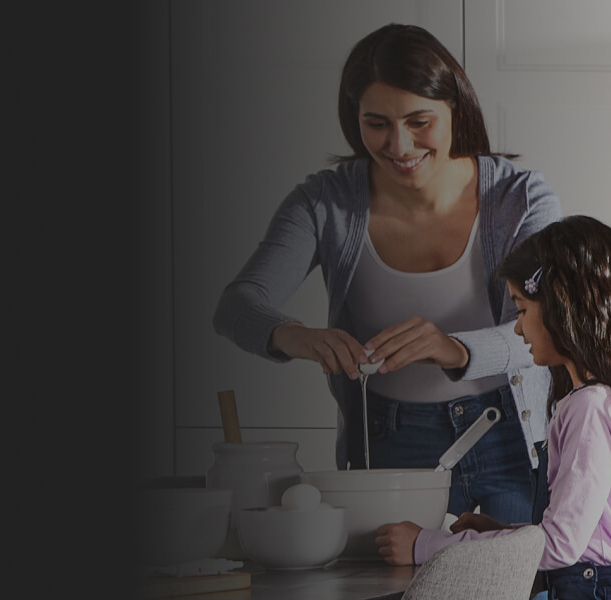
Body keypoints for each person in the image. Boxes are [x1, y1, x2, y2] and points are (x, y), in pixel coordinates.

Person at [212, 23, 560, 526]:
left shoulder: (520, 198)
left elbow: (544, 325)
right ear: (354, 121)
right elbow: (236, 304)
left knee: (517, 582)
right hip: (390, 437)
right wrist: (294, 336)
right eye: (376, 123)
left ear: (455, 110)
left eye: (419, 121)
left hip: (506, 427)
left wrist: (454, 348)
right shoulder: (324, 201)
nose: (399, 145)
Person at [372, 215, 611, 600]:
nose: (519, 328)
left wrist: (425, 546)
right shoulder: (610, 398)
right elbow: (583, 537)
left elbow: (559, 546)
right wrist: (499, 533)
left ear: (562, 307)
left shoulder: (589, 409)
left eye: (522, 309)